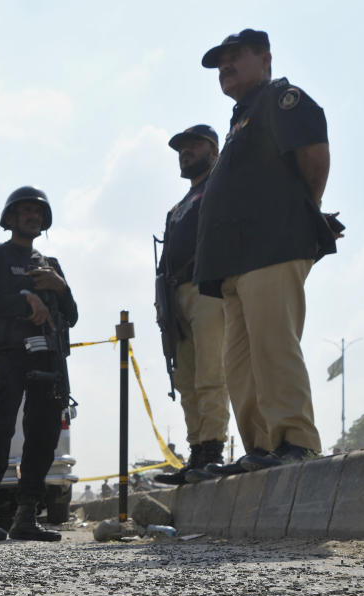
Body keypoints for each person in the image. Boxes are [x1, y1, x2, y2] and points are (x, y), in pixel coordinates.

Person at [194, 29, 340, 474]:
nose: (226, 66)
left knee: (274, 347)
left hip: (272, 247)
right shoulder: (241, 119)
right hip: (234, 262)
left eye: (235, 56)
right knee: (239, 362)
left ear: (265, 58)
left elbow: (314, 157)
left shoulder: (282, 99)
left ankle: (295, 441)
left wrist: (300, 216)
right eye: (220, 61)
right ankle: (261, 448)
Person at [0, 186, 79, 542]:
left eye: (37, 212)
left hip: (48, 358)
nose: (32, 216)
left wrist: (60, 289)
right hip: (10, 355)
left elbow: (72, 316)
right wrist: (24, 297)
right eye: (25, 210)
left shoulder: (51, 266)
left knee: (44, 435)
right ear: (10, 218)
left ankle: (26, 515)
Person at [153, 125, 231, 485]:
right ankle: (196, 449)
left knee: (210, 372)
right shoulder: (178, 208)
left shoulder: (220, 186)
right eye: (181, 149)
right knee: (185, 379)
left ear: (213, 150)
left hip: (207, 286)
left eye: (194, 146)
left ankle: (213, 450)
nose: (186, 152)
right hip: (175, 297)